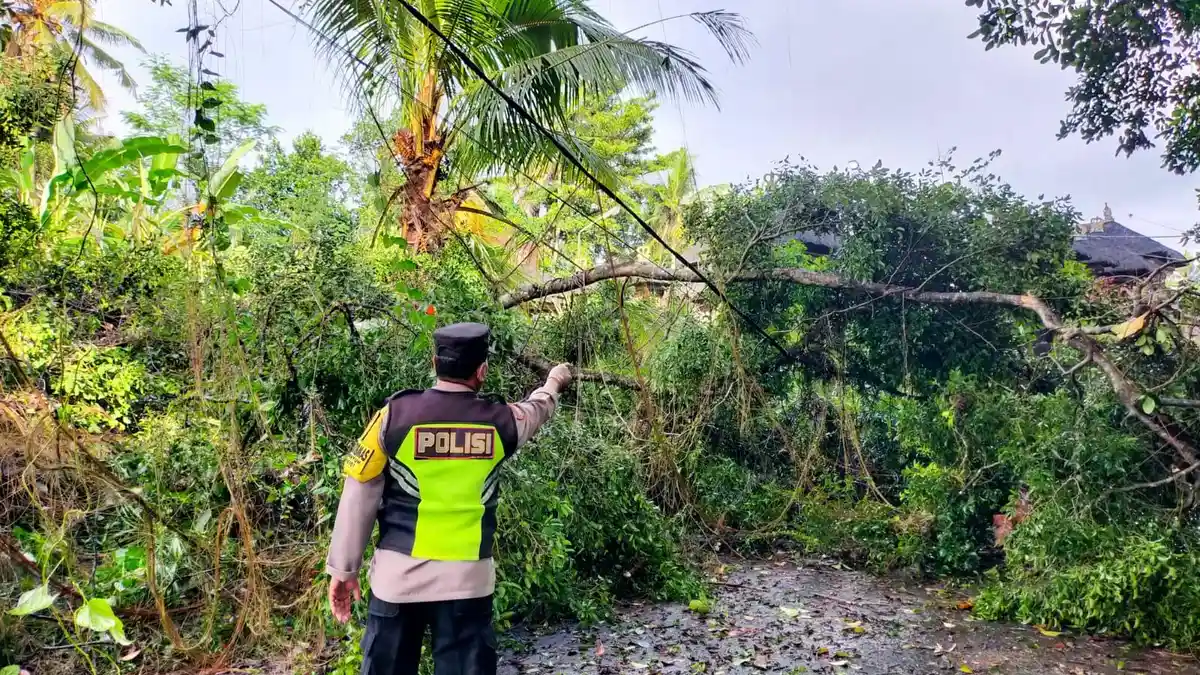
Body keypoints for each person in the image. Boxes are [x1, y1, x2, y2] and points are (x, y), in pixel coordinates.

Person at [325, 321, 573, 675]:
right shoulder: (503, 422)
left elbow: (359, 490)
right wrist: (553, 381)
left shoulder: (392, 418)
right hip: (467, 584)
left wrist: (343, 570)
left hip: (398, 581)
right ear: (482, 371)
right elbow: (538, 408)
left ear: (434, 362)